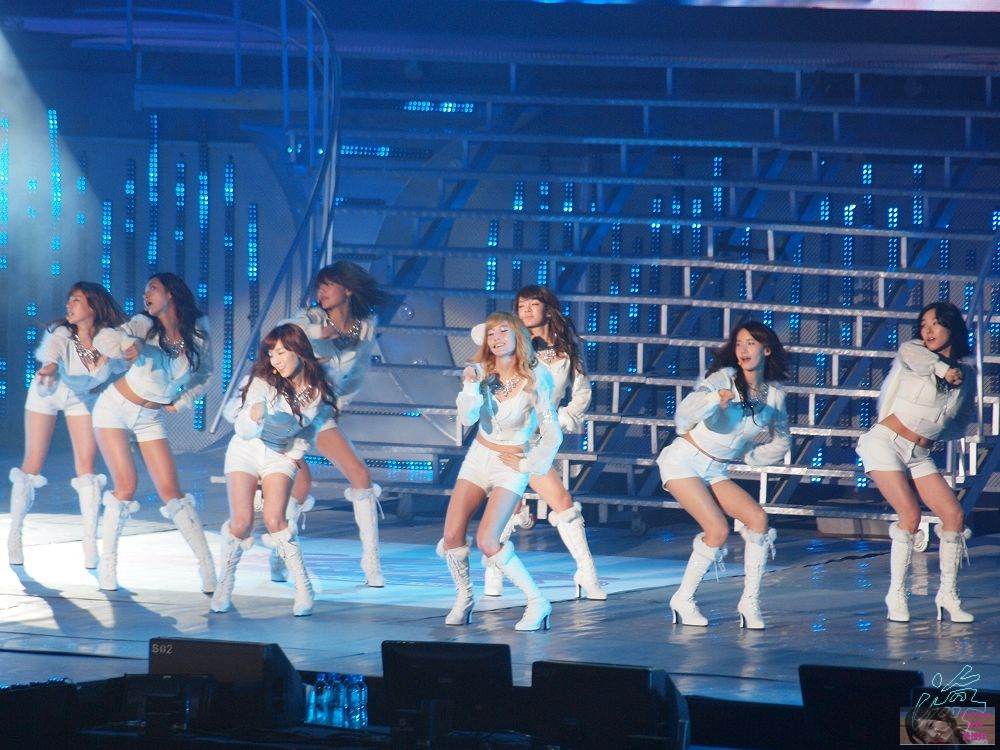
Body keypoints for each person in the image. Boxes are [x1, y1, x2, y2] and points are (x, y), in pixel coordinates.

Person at [657, 321, 790, 629]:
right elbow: (683, 415)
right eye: (739, 343)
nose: (743, 350)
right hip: (684, 460)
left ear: (767, 350)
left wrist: (755, 456)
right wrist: (713, 400)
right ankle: (683, 598)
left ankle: (750, 603)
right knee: (716, 529)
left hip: (716, 469)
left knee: (757, 519)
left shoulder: (774, 398)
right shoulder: (723, 378)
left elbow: (783, 439)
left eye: (751, 343)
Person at [475, 285, 605, 600]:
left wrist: (564, 418)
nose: (527, 311)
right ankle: (496, 569)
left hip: (540, 438)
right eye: (521, 306)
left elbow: (582, 391)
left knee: (553, 503)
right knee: (534, 503)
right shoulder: (512, 344)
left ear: (548, 309)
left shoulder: (568, 348)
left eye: (533, 304)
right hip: (510, 436)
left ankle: (585, 574)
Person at [91, 273, 216, 592]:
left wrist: (183, 399)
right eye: (145, 289)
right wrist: (125, 345)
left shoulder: (197, 331)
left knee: (171, 491)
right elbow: (103, 339)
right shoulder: (143, 325)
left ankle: (207, 567)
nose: (146, 294)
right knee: (126, 485)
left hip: (149, 417)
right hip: (114, 409)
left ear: (170, 294)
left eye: (154, 289)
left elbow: (205, 374)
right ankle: (108, 564)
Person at [438, 311, 563, 631]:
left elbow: (552, 432)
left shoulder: (536, 377)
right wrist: (470, 387)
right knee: (451, 535)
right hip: (479, 456)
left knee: (487, 540)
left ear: (517, 335)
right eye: (491, 334)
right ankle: (464, 597)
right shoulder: (481, 372)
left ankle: (537, 602)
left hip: (511, 463)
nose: (496, 339)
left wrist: (528, 464)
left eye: (503, 332)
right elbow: (467, 419)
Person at [856, 301, 976, 623]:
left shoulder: (967, 373)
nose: (928, 331)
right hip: (885, 442)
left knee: (954, 515)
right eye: (923, 324)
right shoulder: (914, 352)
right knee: (909, 514)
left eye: (935, 324)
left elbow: (962, 418)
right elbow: (917, 357)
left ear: (952, 327)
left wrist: (939, 428)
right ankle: (896, 593)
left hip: (920, 453)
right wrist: (942, 370)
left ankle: (947, 596)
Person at [212, 324, 336, 617]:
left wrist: (294, 455)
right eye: (271, 353)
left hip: (281, 452)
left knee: (274, 519)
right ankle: (224, 584)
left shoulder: (316, 389)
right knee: (241, 522)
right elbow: (244, 428)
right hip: (247, 448)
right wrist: (254, 416)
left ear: (298, 351)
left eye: (281, 352)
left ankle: (304, 587)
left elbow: (307, 426)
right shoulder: (262, 380)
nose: (275, 360)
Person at [280, 261, 388, 586]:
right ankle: (280, 555)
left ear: (348, 290)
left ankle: (372, 565)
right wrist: (316, 334)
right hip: (288, 410)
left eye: (329, 285)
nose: (322, 291)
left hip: (321, 411)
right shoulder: (311, 319)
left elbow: (357, 373)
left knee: (360, 476)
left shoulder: (365, 326)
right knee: (299, 484)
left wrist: (337, 404)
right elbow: (283, 330)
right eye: (320, 285)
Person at [8, 282, 126, 568]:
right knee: (32, 463)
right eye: (68, 300)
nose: (68, 305)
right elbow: (52, 353)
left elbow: (124, 365)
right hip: (47, 391)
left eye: (76, 300)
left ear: (93, 306)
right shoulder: (61, 332)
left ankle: (90, 543)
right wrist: (49, 366)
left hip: (81, 398)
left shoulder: (109, 339)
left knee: (86, 467)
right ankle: (14, 537)